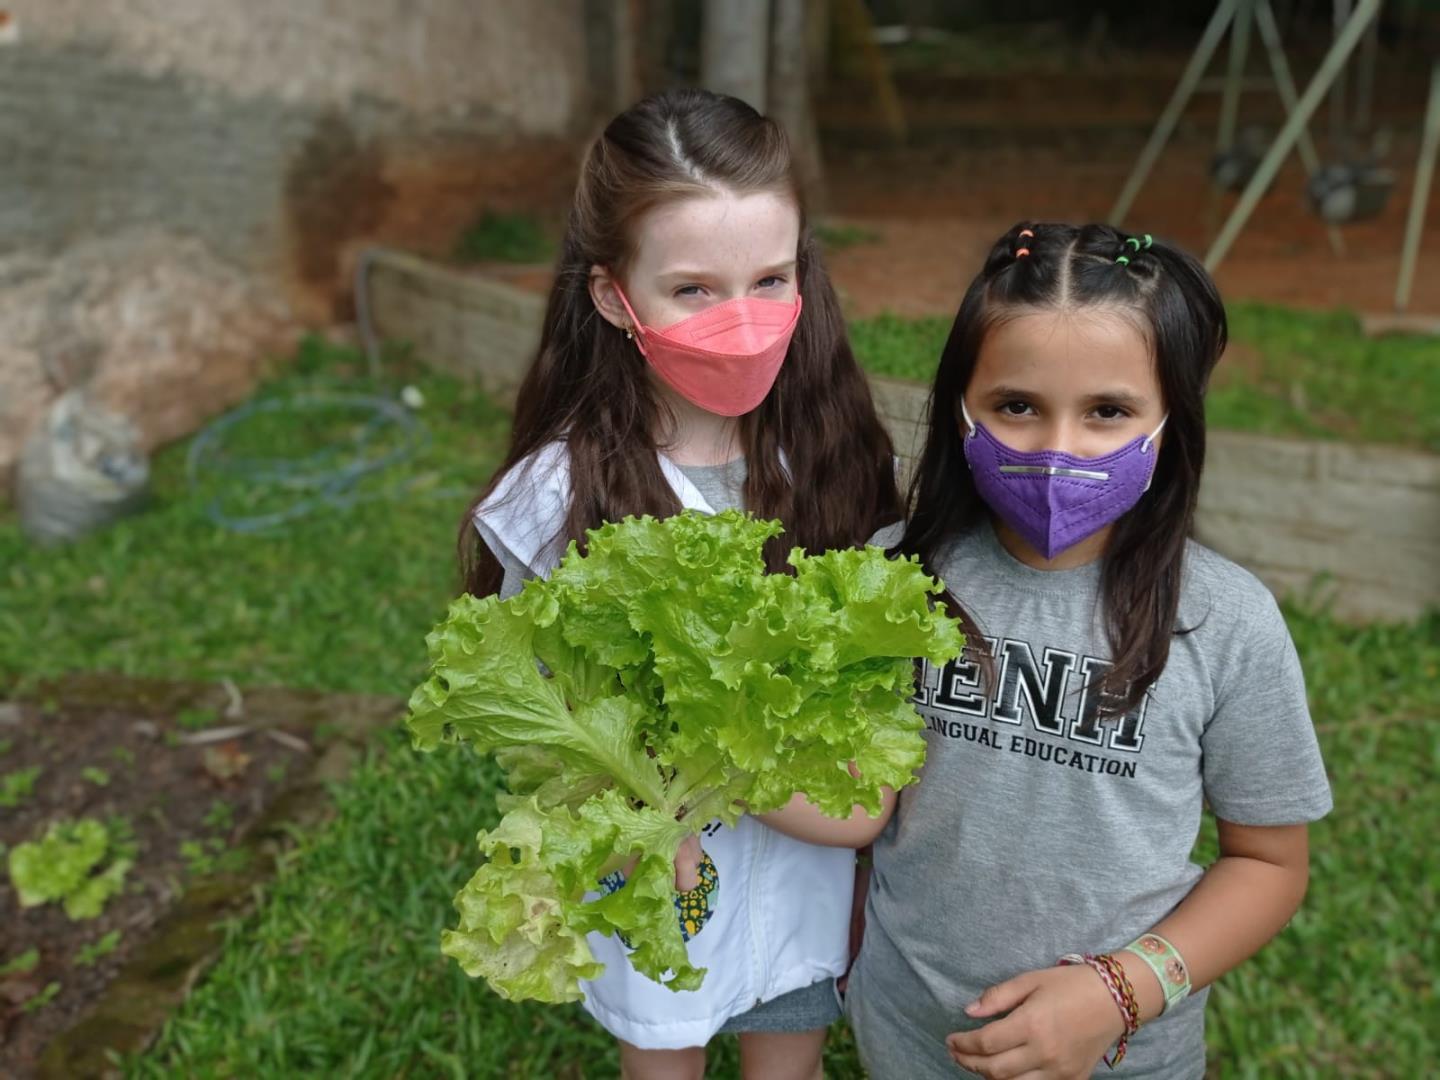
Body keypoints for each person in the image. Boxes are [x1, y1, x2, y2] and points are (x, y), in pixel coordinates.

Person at [462, 87, 902, 1080]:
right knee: (663, 1046)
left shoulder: (833, 461)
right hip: (657, 880)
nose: (742, 323)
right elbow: (533, 709)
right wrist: (636, 804)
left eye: (770, 280)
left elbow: (868, 744)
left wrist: (708, 764)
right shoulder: (553, 498)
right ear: (617, 298)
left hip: (806, 875)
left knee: (788, 1038)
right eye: (694, 290)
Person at [845, 222, 1333, 1079]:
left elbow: (1269, 863)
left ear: (1169, 421)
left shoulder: (1228, 622)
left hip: (1123, 1057)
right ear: (961, 403)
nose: (1058, 448)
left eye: (1108, 411)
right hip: (907, 1034)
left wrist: (1120, 990)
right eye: (1017, 405)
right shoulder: (887, 578)